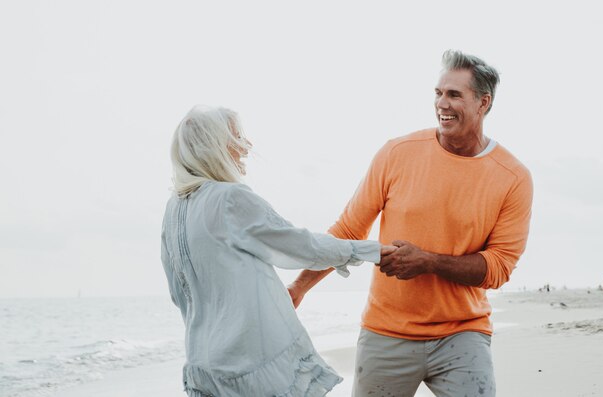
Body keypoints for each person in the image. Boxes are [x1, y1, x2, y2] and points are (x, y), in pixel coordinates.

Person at [288, 50, 533, 397]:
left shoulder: (513, 177)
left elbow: (498, 267)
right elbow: (348, 231)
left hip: (462, 333)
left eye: (454, 95)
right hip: (386, 331)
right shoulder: (397, 153)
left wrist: (428, 261)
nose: (442, 104)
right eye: (438, 93)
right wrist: (299, 288)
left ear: (483, 102)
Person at [160, 105, 396, 397]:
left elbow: (176, 291)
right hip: (247, 365)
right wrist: (370, 250)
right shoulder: (229, 199)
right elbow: (302, 246)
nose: (247, 146)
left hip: (200, 367)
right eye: (237, 137)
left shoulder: (173, 210)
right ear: (215, 146)